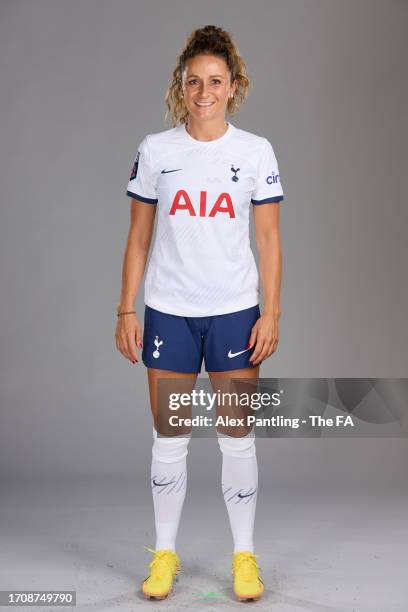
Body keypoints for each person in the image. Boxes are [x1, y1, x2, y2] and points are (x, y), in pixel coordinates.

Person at [115, 24, 285, 603]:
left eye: (216, 81)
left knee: (237, 437)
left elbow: (270, 241)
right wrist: (125, 309)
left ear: (234, 86)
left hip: (237, 313)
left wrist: (273, 313)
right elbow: (138, 239)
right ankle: (165, 554)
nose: (205, 91)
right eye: (194, 82)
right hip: (168, 313)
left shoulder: (255, 152)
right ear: (181, 87)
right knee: (170, 436)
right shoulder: (156, 150)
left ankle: (244, 557)